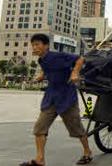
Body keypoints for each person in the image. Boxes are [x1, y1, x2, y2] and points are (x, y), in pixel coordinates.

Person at [20, 34, 93, 166]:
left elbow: (80, 59)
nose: (34, 47)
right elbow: (46, 69)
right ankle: (40, 159)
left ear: (46, 45)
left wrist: (75, 72)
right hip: (51, 98)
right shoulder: (42, 60)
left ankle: (87, 152)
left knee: (77, 129)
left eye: (37, 44)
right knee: (39, 128)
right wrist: (41, 76)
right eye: (33, 45)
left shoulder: (57, 56)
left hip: (67, 98)